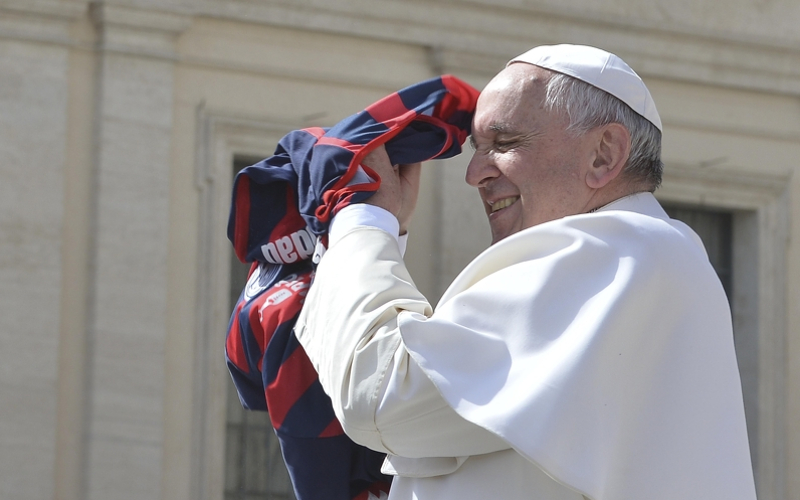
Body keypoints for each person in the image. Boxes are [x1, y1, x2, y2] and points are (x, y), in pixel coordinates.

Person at [294, 44, 757, 500]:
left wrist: (362, 220)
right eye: (477, 147)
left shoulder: (617, 252)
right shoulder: (647, 255)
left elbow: (379, 397)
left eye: (505, 143)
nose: (474, 173)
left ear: (603, 154)